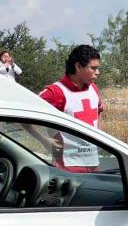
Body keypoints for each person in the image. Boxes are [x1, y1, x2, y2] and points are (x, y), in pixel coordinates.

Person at [38, 45, 103, 173]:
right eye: (93, 68)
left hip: (93, 164)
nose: (97, 72)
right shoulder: (56, 92)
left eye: (98, 68)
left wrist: (100, 134)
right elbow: (23, 114)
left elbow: (98, 111)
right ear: (78, 66)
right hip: (67, 169)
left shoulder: (93, 88)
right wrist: (44, 139)